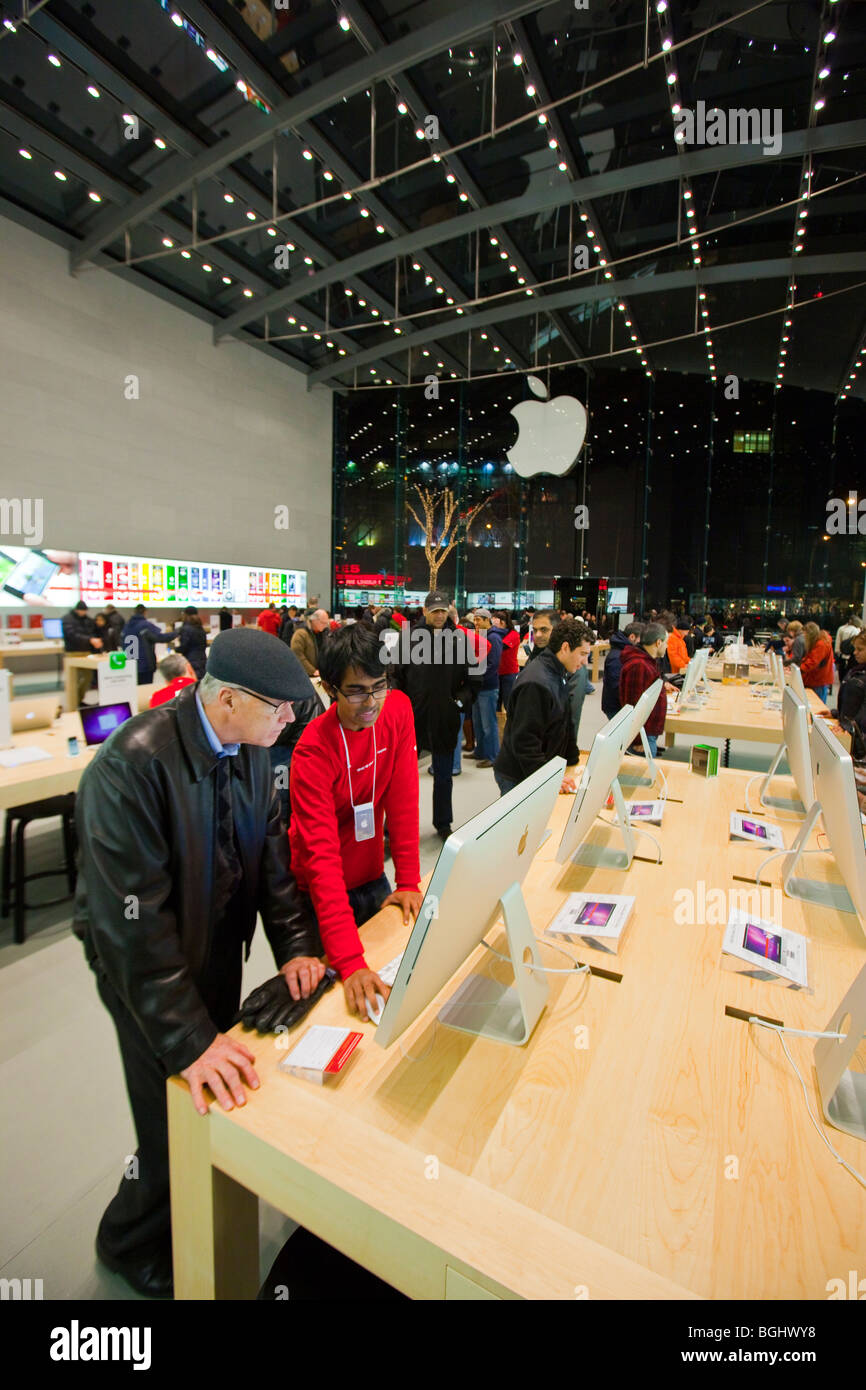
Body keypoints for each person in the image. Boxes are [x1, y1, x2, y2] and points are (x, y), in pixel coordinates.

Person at [74, 628, 323, 1299]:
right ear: (231, 700)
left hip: (211, 945)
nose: (291, 719)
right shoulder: (131, 766)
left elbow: (271, 859)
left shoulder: (247, 749)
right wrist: (188, 1039)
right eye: (279, 707)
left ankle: (192, 1204)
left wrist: (297, 944)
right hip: (141, 967)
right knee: (168, 1114)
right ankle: (128, 1241)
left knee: (204, 1101)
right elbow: (132, 931)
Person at [289, 624, 422, 1019]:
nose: (371, 702)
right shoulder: (312, 752)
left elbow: (403, 801)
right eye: (356, 690)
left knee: (389, 984)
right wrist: (349, 960)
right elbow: (321, 859)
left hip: (369, 875)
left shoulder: (397, 709)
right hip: (317, 894)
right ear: (330, 689)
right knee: (337, 1007)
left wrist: (409, 880)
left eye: (378, 686)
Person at [391, 590, 475, 840]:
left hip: (445, 718)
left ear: (449, 611)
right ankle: (395, 827)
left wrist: (458, 702)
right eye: (434, 611)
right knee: (402, 778)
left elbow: (471, 680)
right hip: (413, 719)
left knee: (443, 776)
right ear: (425, 611)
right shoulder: (408, 640)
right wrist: (401, 705)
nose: (439, 615)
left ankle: (443, 823)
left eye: (443, 611)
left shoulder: (459, 640)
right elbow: (395, 676)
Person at [493, 617, 594, 797]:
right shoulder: (536, 682)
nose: (585, 661)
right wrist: (549, 777)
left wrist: (573, 760)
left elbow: (564, 720)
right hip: (520, 777)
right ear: (565, 648)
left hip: (539, 770)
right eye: (583, 653)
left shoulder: (557, 671)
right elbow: (525, 742)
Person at [619, 621, 668, 757]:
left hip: (647, 732)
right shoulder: (639, 665)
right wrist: (637, 739)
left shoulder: (647, 662)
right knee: (643, 775)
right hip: (642, 736)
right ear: (658, 642)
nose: (667, 646)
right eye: (666, 642)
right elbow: (633, 704)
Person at [471, 608, 503, 767]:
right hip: (478, 687)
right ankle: (480, 751)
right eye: (475, 620)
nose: (476, 623)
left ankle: (492, 756)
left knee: (489, 724)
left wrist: (479, 679)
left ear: (487, 620)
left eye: (479, 620)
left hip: (488, 688)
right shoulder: (481, 636)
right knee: (478, 723)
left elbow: (493, 664)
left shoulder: (494, 638)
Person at [121, 605, 180, 685]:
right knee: (145, 689)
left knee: (134, 691)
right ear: (145, 612)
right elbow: (160, 637)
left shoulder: (126, 626)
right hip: (144, 665)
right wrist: (177, 632)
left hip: (130, 664)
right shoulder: (145, 625)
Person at [62, 600, 103, 707]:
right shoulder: (68, 619)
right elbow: (72, 634)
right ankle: (73, 702)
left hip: (86, 652)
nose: (83, 613)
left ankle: (78, 700)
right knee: (74, 679)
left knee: (87, 677)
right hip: (73, 652)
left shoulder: (87, 620)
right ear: (77, 610)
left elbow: (93, 632)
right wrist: (90, 640)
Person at [601, 621, 643, 718]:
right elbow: (616, 686)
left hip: (621, 705)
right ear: (632, 637)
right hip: (617, 707)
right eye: (640, 639)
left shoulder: (625, 651)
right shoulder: (617, 656)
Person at [800, 622, 834, 704]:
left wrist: (799, 669)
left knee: (817, 705)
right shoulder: (820, 642)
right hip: (816, 678)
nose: (804, 637)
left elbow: (812, 662)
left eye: (805, 635)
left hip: (818, 679)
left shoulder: (821, 644)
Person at [291, 608, 331, 676]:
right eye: (323, 623)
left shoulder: (325, 633)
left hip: (321, 674)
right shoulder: (300, 634)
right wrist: (312, 671)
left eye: (326, 623)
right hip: (306, 675)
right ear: (314, 620)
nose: (325, 625)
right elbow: (297, 654)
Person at [493, 611, 520, 711]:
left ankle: (511, 725)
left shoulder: (513, 634)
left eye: (495, 620)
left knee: (509, 703)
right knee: (496, 704)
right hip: (497, 672)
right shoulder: (495, 634)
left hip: (509, 672)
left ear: (502, 622)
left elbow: (501, 646)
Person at [177, 606, 208, 680]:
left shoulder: (185, 629)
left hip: (191, 661)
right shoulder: (200, 627)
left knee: (191, 685)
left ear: (185, 615)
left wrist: (176, 649)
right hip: (203, 659)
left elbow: (184, 646)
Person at [835, 613, 863, 682]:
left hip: (842, 656)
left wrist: (837, 654)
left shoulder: (841, 628)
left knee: (842, 677)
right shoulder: (857, 630)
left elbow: (838, 644)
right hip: (851, 658)